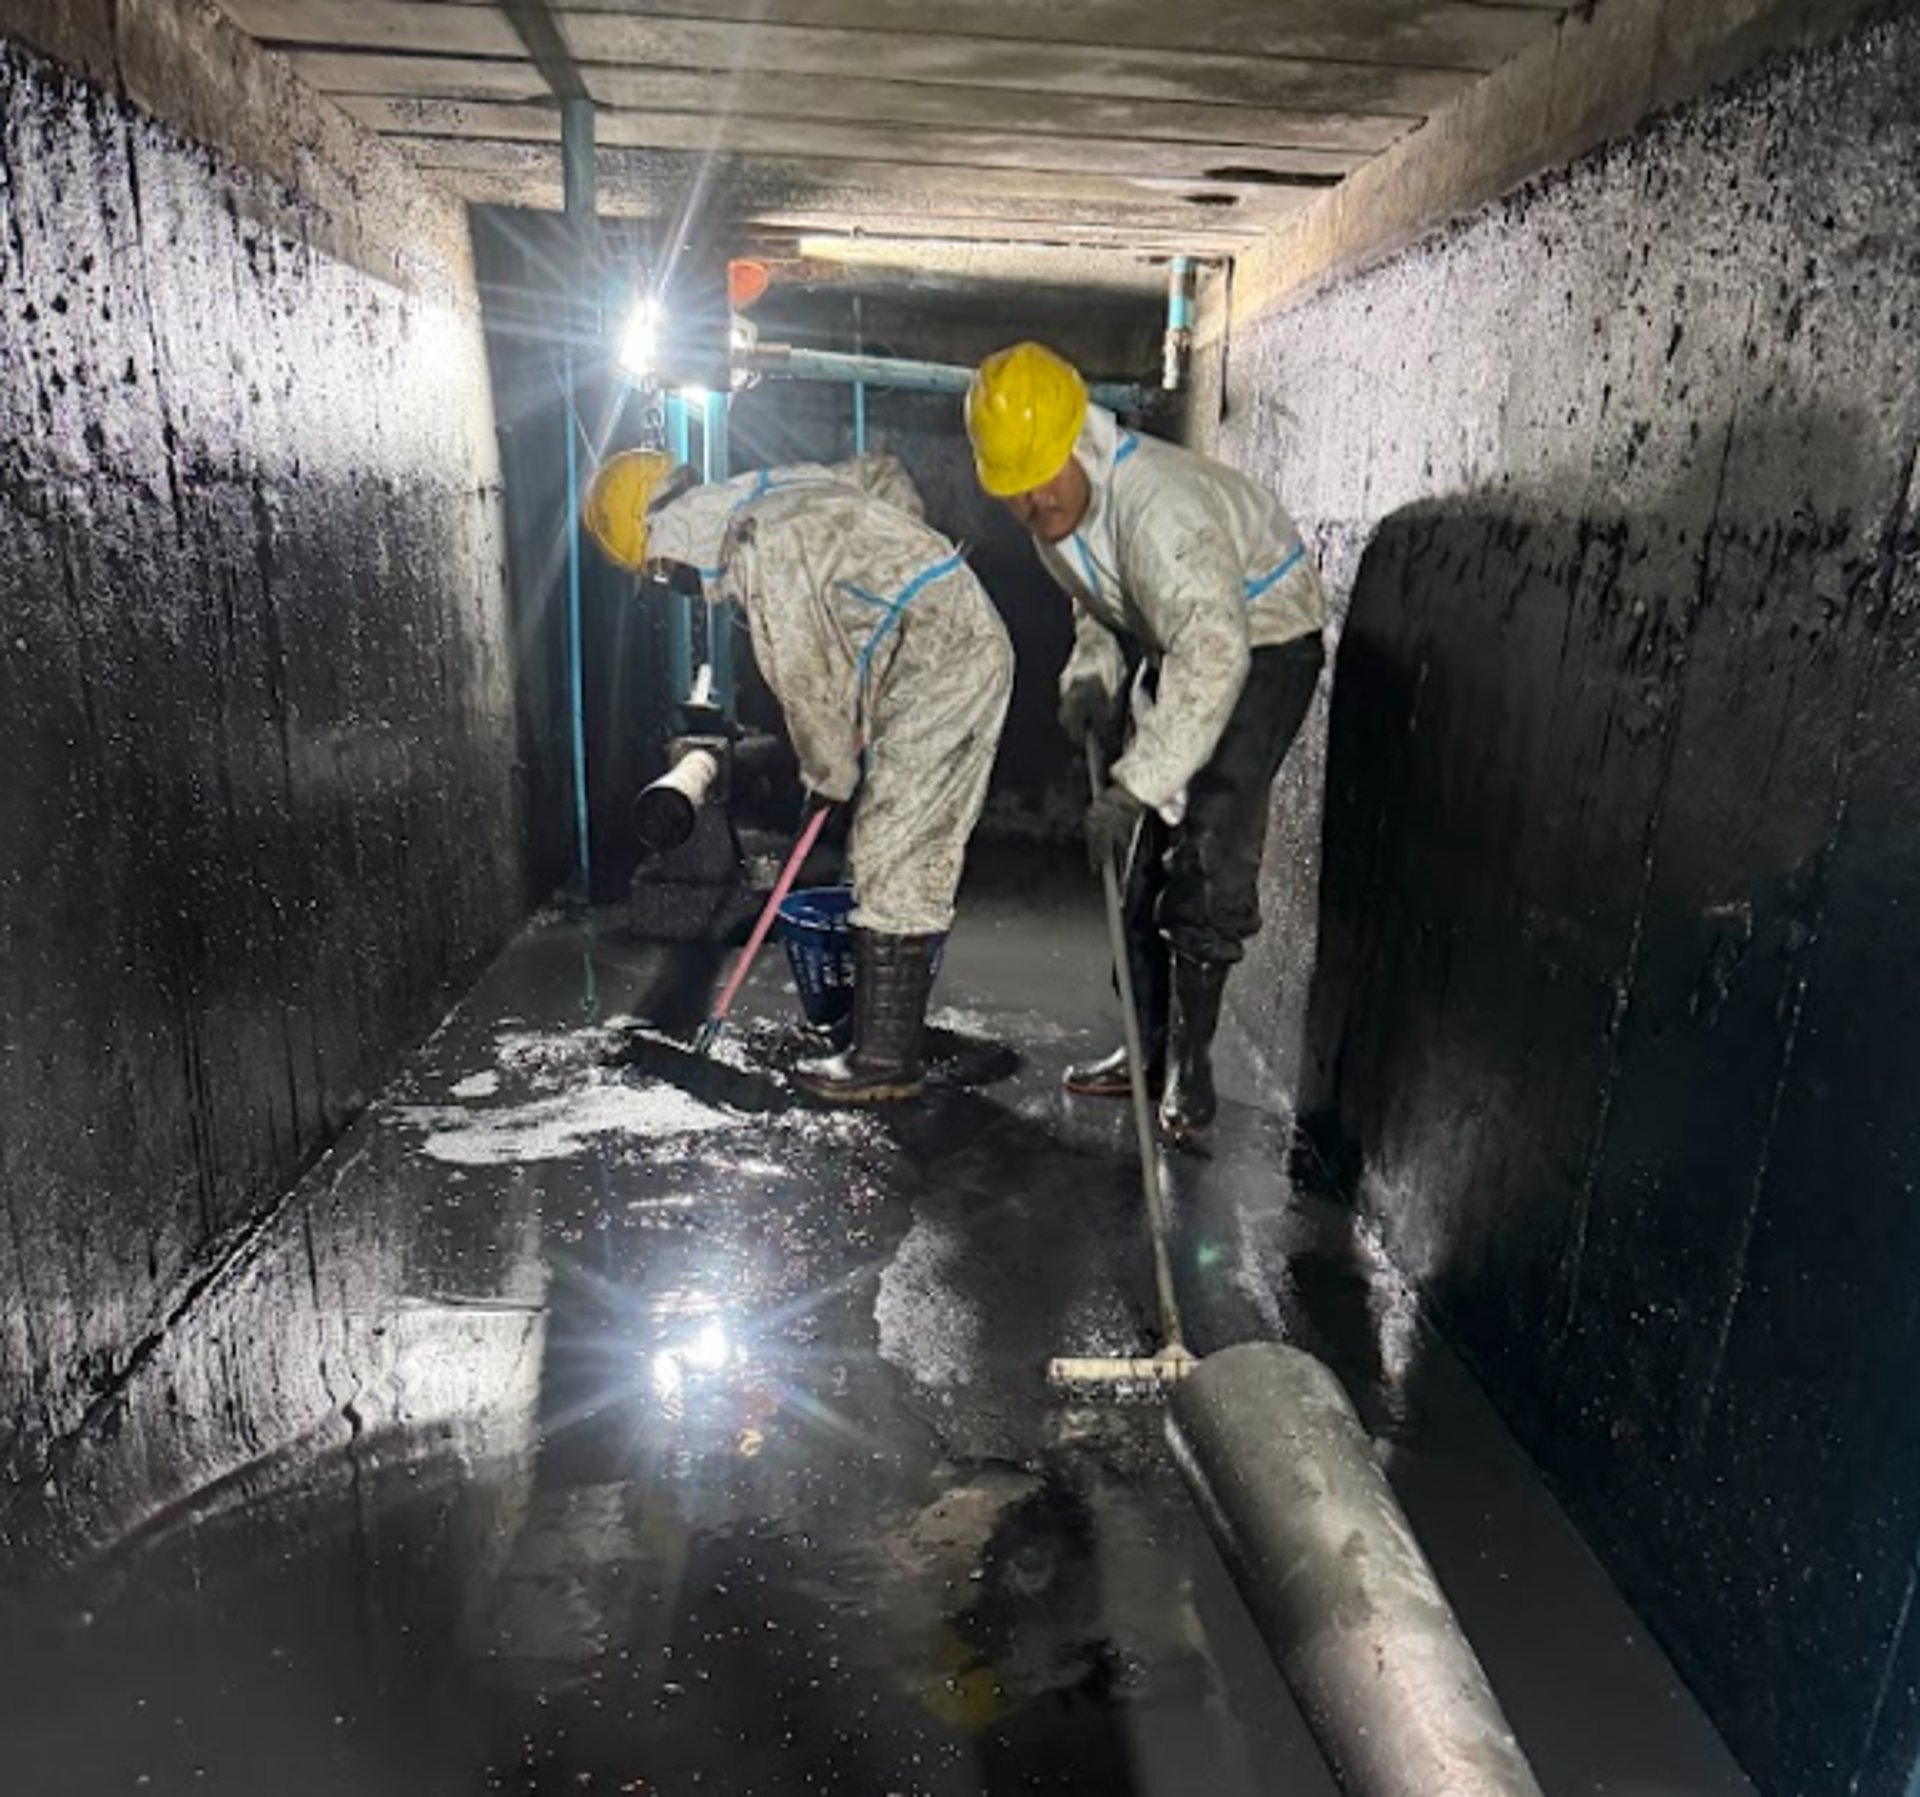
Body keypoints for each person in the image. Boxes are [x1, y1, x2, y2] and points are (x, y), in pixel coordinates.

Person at [965, 341, 1327, 1139]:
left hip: (1262, 640)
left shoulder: (1155, 507)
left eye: (1041, 479)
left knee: (1209, 845)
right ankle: (1144, 1047)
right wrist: (1090, 675)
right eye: (1014, 492)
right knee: (1143, 864)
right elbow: (1098, 604)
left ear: (1077, 440)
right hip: (1182, 641)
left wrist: (1134, 786)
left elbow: (1215, 650)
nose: (1032, 504)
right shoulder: (1052, 511)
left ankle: (1192, 1069)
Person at [584, 447, 1013, 1105]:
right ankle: (889, 1029)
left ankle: (885, 1059)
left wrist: (827, 774)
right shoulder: (770, 490)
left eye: (660, 573)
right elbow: (883, 472)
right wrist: (901, 567)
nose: (674, 584)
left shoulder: (762, 549)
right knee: (899, 845)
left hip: (939, 660)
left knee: (894, 847)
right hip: (936, 639)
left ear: (665, 540)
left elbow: (808, 686)